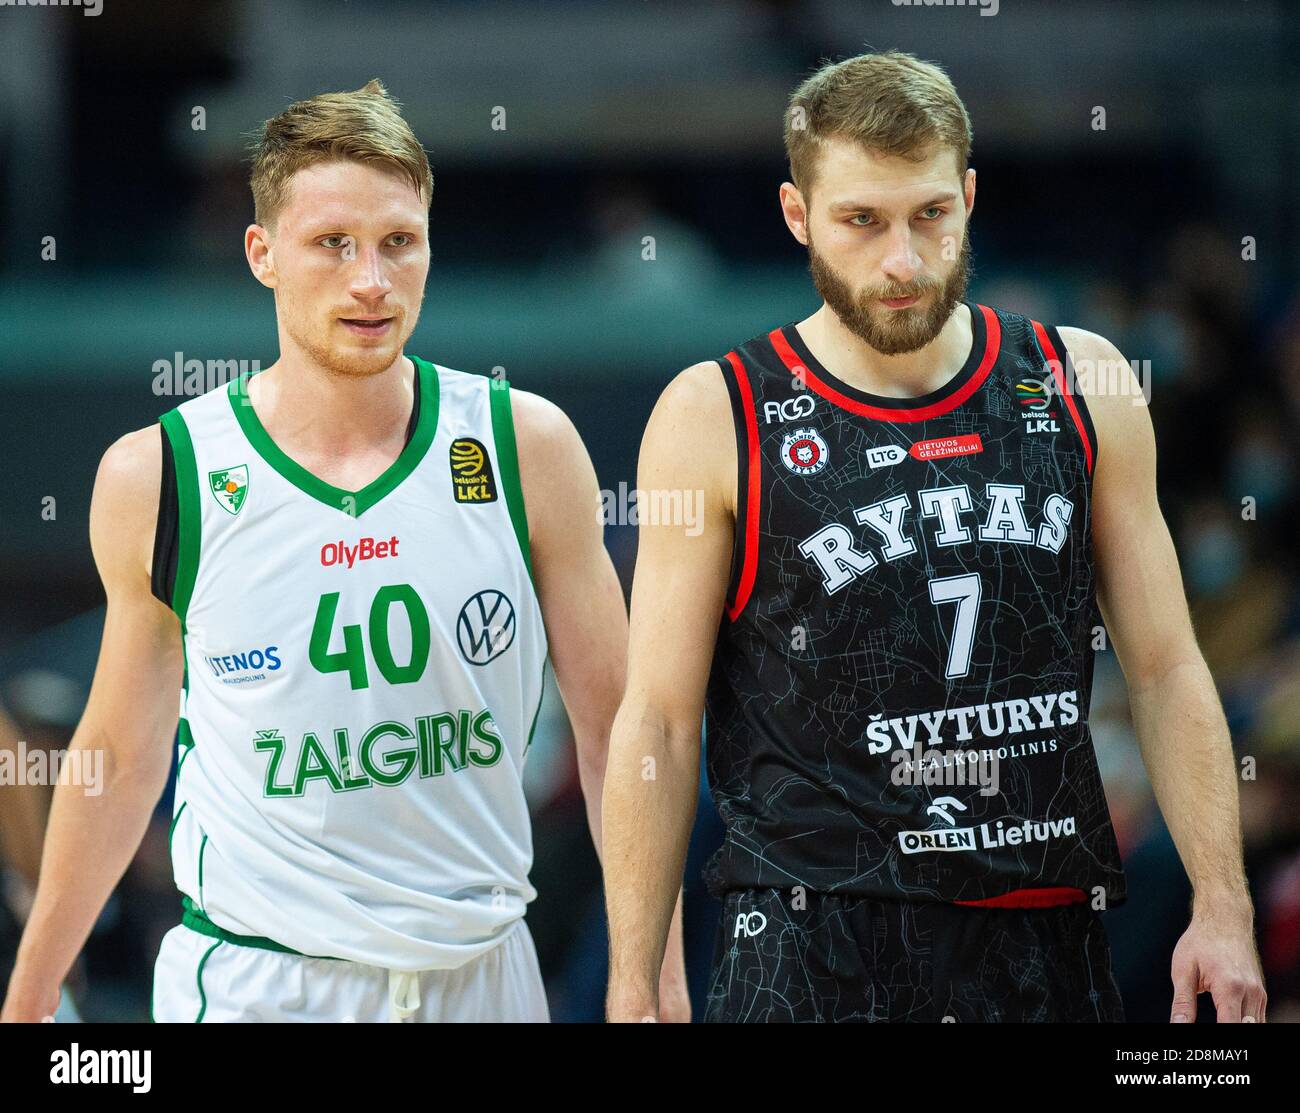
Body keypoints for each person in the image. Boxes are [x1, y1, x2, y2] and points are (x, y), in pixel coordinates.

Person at [602, 51, 1266, 1023]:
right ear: (797, 216)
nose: (901, 260)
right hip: (807, 938)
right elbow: (656, 721)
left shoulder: (1080, 380)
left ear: (967, 196)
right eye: (861, 221)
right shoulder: (717, 412)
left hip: (1040, 931)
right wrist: (632, 979)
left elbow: (1166, 668)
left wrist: (1222, 902)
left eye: (928, 216)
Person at [3, 80, 686, 1023]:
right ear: (263, 254)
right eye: (334, 244)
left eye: (399, 242)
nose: (371, 278)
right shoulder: (163, 474)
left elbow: (621, 733)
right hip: (260, 982)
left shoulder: (526, 446)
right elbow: (120, 753)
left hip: (484, 977)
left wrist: (652, 972)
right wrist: (34, 992)